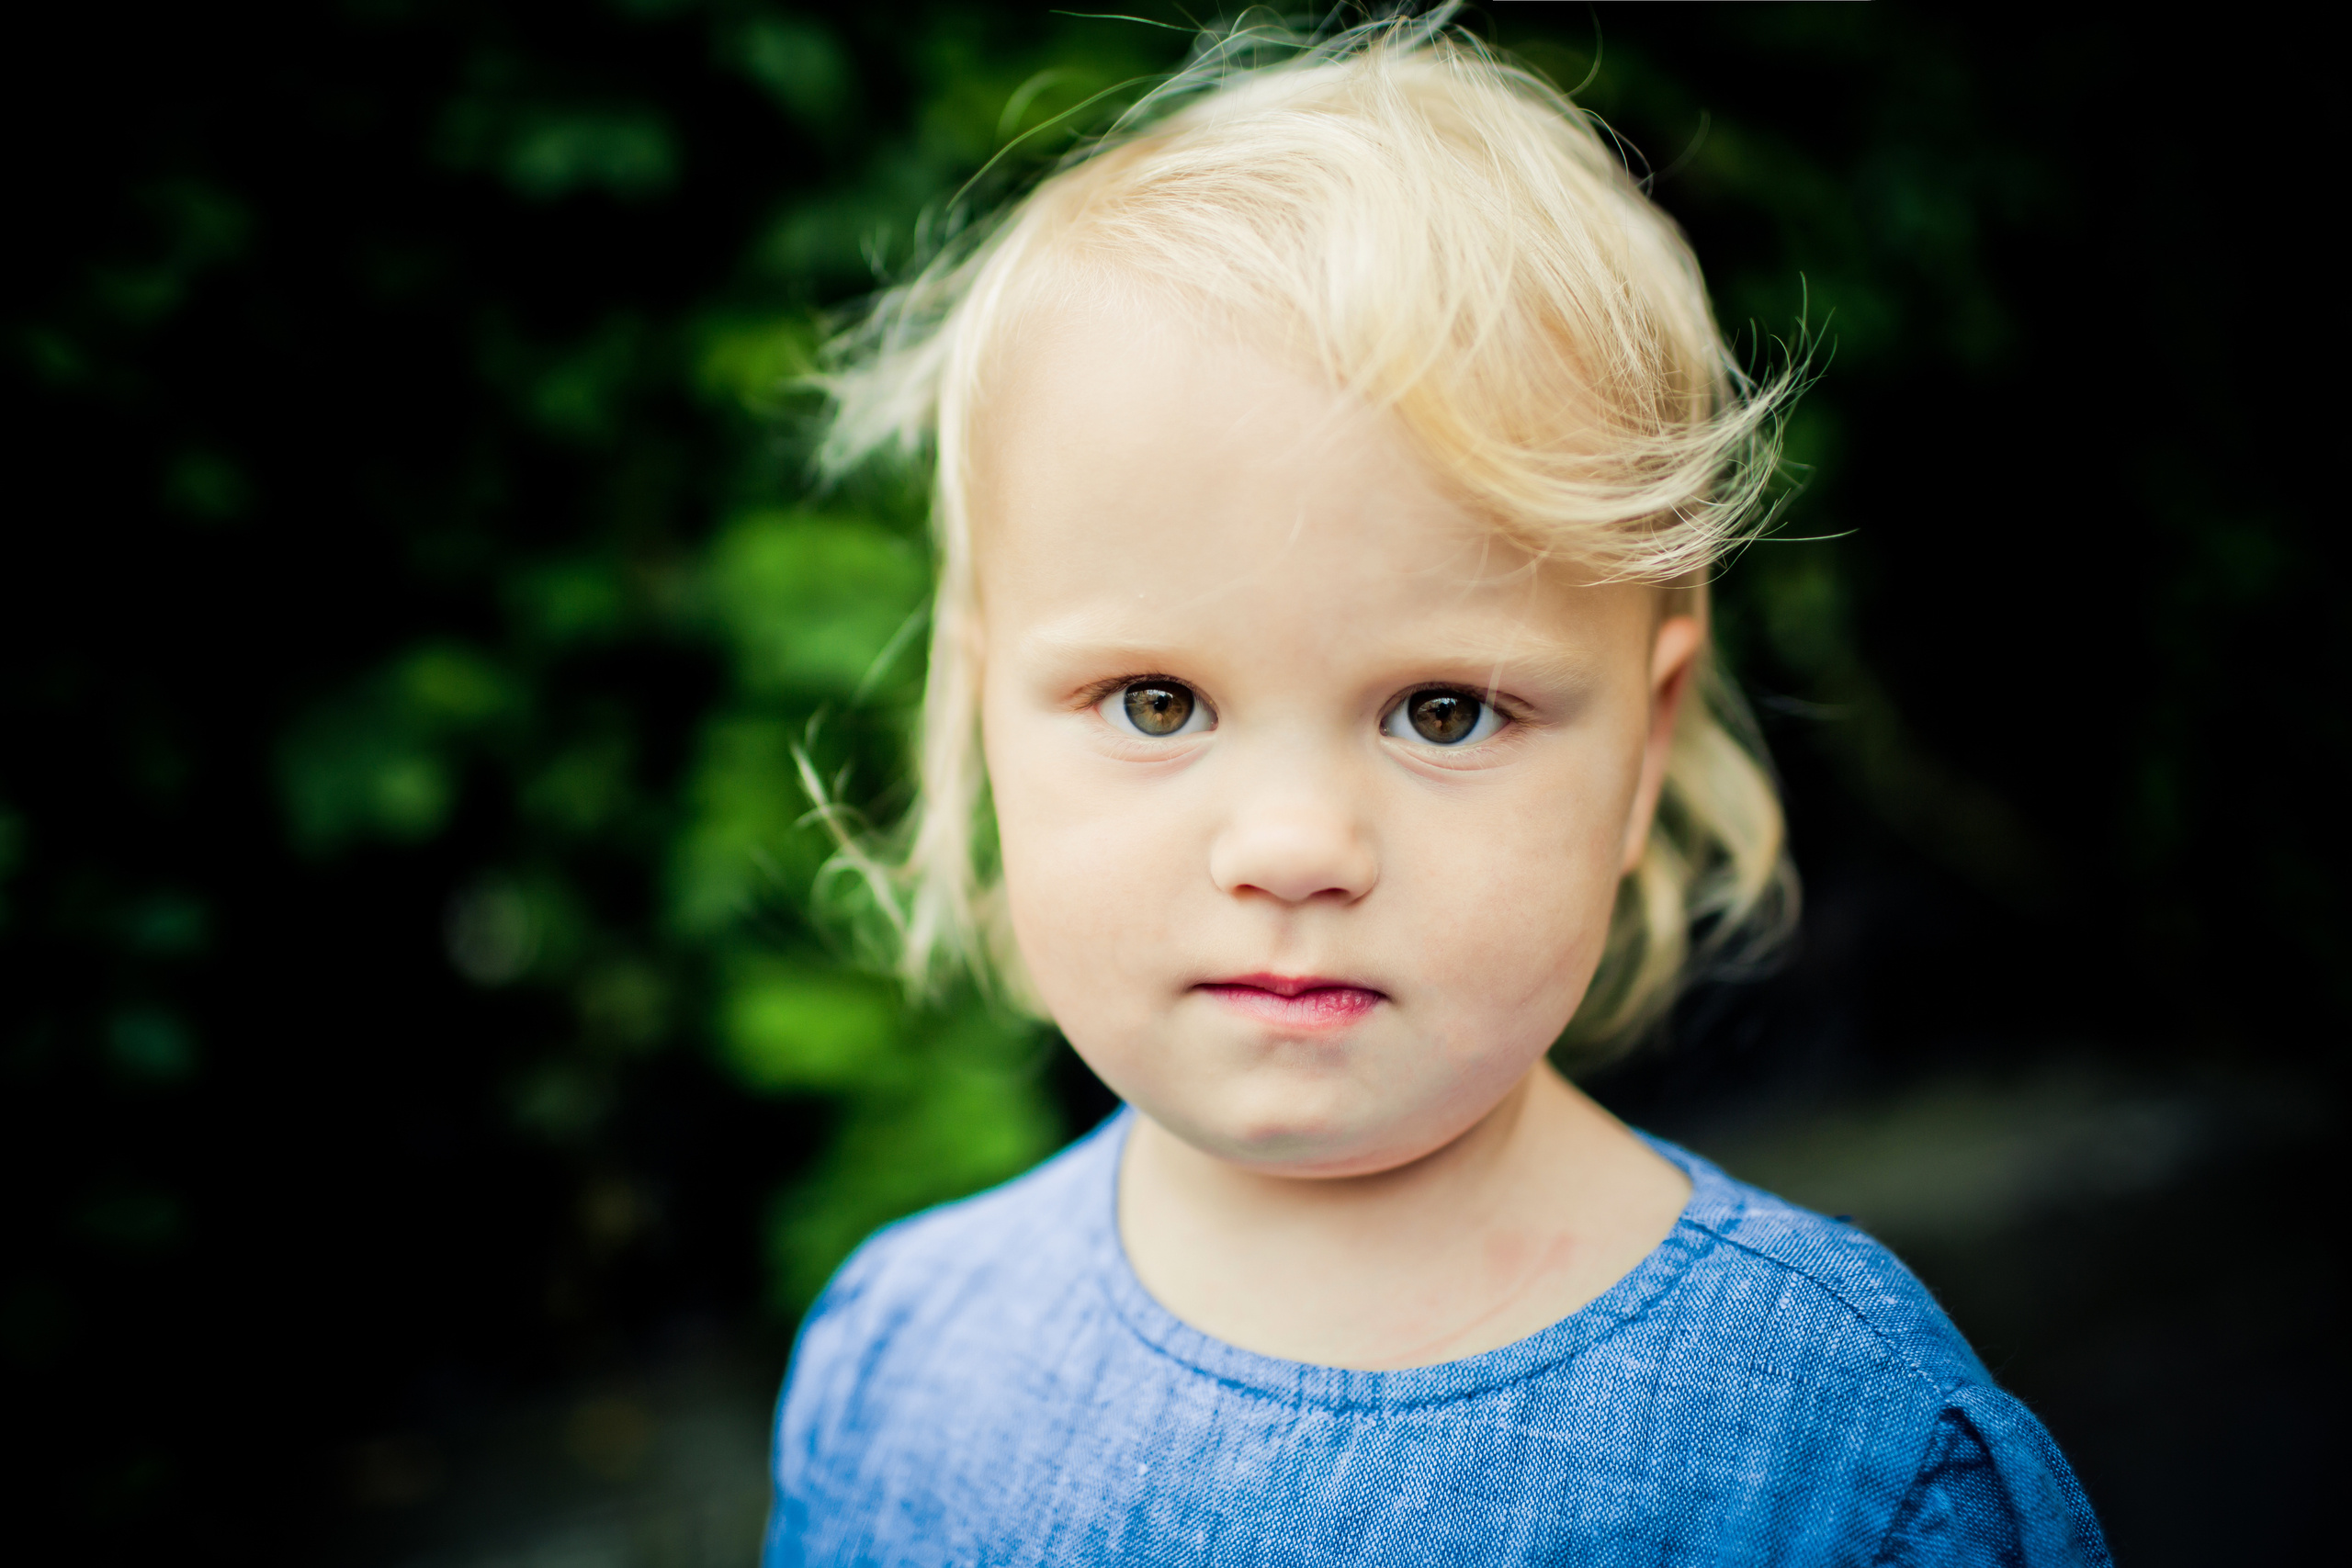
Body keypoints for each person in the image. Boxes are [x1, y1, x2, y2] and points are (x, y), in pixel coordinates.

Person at [764, 16, 2109, 1566]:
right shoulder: (901, 1362)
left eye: (1446, 711)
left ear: (1643, 747)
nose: (1292, 848)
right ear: (985, 705)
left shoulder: (1835, 1458)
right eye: (1156, 702)